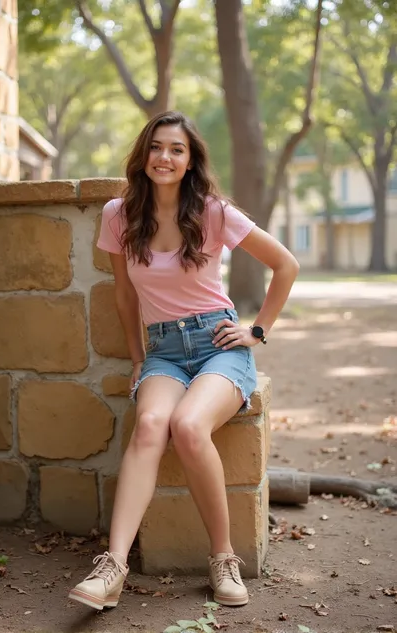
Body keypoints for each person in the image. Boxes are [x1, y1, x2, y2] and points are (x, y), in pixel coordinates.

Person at [69, 111, 299, 611]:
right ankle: (113, 567)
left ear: (190, 160)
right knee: (151, 423)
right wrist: (138, 360)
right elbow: (126, 297)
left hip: (219, 344)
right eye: (156, 147)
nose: (164, 157)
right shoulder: (119, 214)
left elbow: (286, 264)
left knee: (190, 426)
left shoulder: (214, 211)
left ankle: (224, 559)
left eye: (176, 149)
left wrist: (257, 330)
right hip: (164, 353)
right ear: (143, 155)